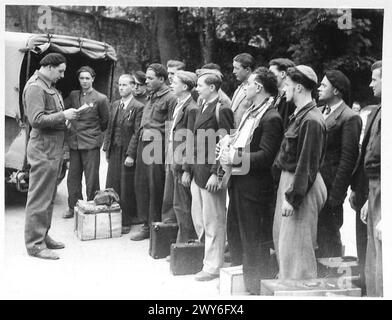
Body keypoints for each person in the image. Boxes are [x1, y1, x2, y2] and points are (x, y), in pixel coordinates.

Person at [220, 67, 283, 294]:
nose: (245, 88)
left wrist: (235, 156)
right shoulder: (252, 111)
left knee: (253, 237)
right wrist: (229, 142)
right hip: (240, 181)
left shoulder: (271, 116)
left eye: (248, 85)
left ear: (258, 87)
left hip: (254, 187)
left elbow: (266, 156)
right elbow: (242, 139)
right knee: (236, 232)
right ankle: (245, 281)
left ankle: (256, 286)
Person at [273, 65, 327, 279]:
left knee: (297, 253)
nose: (284, 90)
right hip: (292, 183)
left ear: (299, 88)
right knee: (286, 248)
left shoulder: (311, 120)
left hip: (300, 187)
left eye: (287, 86)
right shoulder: (301, 115)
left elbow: (307, 164)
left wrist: (292, 198)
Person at [23, 53, 79, 260]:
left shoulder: (49, 86)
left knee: (48, 197)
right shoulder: (36, 87)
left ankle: (43, 235)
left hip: (53, 147)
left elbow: (49, 116)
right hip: (43, 149)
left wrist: (63, 121)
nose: (62, 76)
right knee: (39, 198)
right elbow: (36, 119)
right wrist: (63, 116)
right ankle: (35, 245)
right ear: (48, 67)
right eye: (60, 71)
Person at [190, 69, 234, 281]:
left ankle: (213, 266)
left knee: (214, 221)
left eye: (199, 85)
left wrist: (216, 174)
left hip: (210, 174)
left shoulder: (222, 109)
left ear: (212, 88)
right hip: (199, 172)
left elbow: (225, 144)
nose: (196, 88)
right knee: (202, 220)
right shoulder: (203, 105)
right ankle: (211, 258)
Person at [316, 70, 362, 258]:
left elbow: (348, 159)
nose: (319, 88)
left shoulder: (349, 117)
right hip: (314, 186)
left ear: (336, 91)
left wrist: (337, 195)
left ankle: (332, 279)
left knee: (329, 237)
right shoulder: (318, 112)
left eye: (324, 85)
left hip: (330, 189)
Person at [132, 63, 177, 241]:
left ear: (161, 79)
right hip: (144, 142)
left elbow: (171, 127)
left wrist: (167, 154)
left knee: (154, 186)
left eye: (151, 78)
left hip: (157, 146)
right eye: (147, 78)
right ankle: (145, 224)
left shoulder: (170, 98)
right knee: (141, 184)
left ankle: (154, 225)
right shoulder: (151, 96)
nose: (147, 81)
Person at [350, 60, 382, 297]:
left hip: (380, 191)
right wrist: (357, 189)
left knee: (378, 254)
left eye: (375, 79)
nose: (371, 84)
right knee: (369, 252)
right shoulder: (377, 110)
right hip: (368, 187)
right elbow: (365, 154)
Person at [63, 66, 109, 218]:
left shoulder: (101, 98)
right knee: (73, 178)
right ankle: (73, 207)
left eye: (87, 78)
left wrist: (93, 136)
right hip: (75, 143)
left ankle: (91, 206)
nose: (84, 81)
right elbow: (65, 110)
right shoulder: (73, 95)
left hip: (90, 143)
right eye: (81, 78)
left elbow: (104, 122)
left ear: (93, 79)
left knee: (91, 178)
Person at [103, 74, 144, 234]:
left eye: (125, 85)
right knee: (112, 183)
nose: (121, 88)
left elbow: (137, 132)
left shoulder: (138, 107)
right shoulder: (115, 105)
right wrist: (107, 148)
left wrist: (131, 154)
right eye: (119, 85)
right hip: (115, 149)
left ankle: (126, 220)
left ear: (133, 87)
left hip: (127, 151)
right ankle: (111, 218)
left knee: (126, 186)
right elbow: (110, 129)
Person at [162, 71, 198, 245]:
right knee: (173, 202)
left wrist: (186, 169)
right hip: (172, 158)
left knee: (182, 205)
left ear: (185, 87)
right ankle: (177, 239)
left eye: (174, 82)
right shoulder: (177, 104)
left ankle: (184, 243)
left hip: (181, 162)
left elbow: (191, 141)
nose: (171, 85)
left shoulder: (192, 108)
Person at [268, 58, 296, 131]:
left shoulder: (291, 98)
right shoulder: (276, 96)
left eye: (271, 73)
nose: (268, 76)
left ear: (282, 74)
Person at [231, 53, 256, 127]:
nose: (233, 71)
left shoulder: (256, 90)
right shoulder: (239, 88)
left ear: (247, 69)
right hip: (233, 133)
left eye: (237, 68)